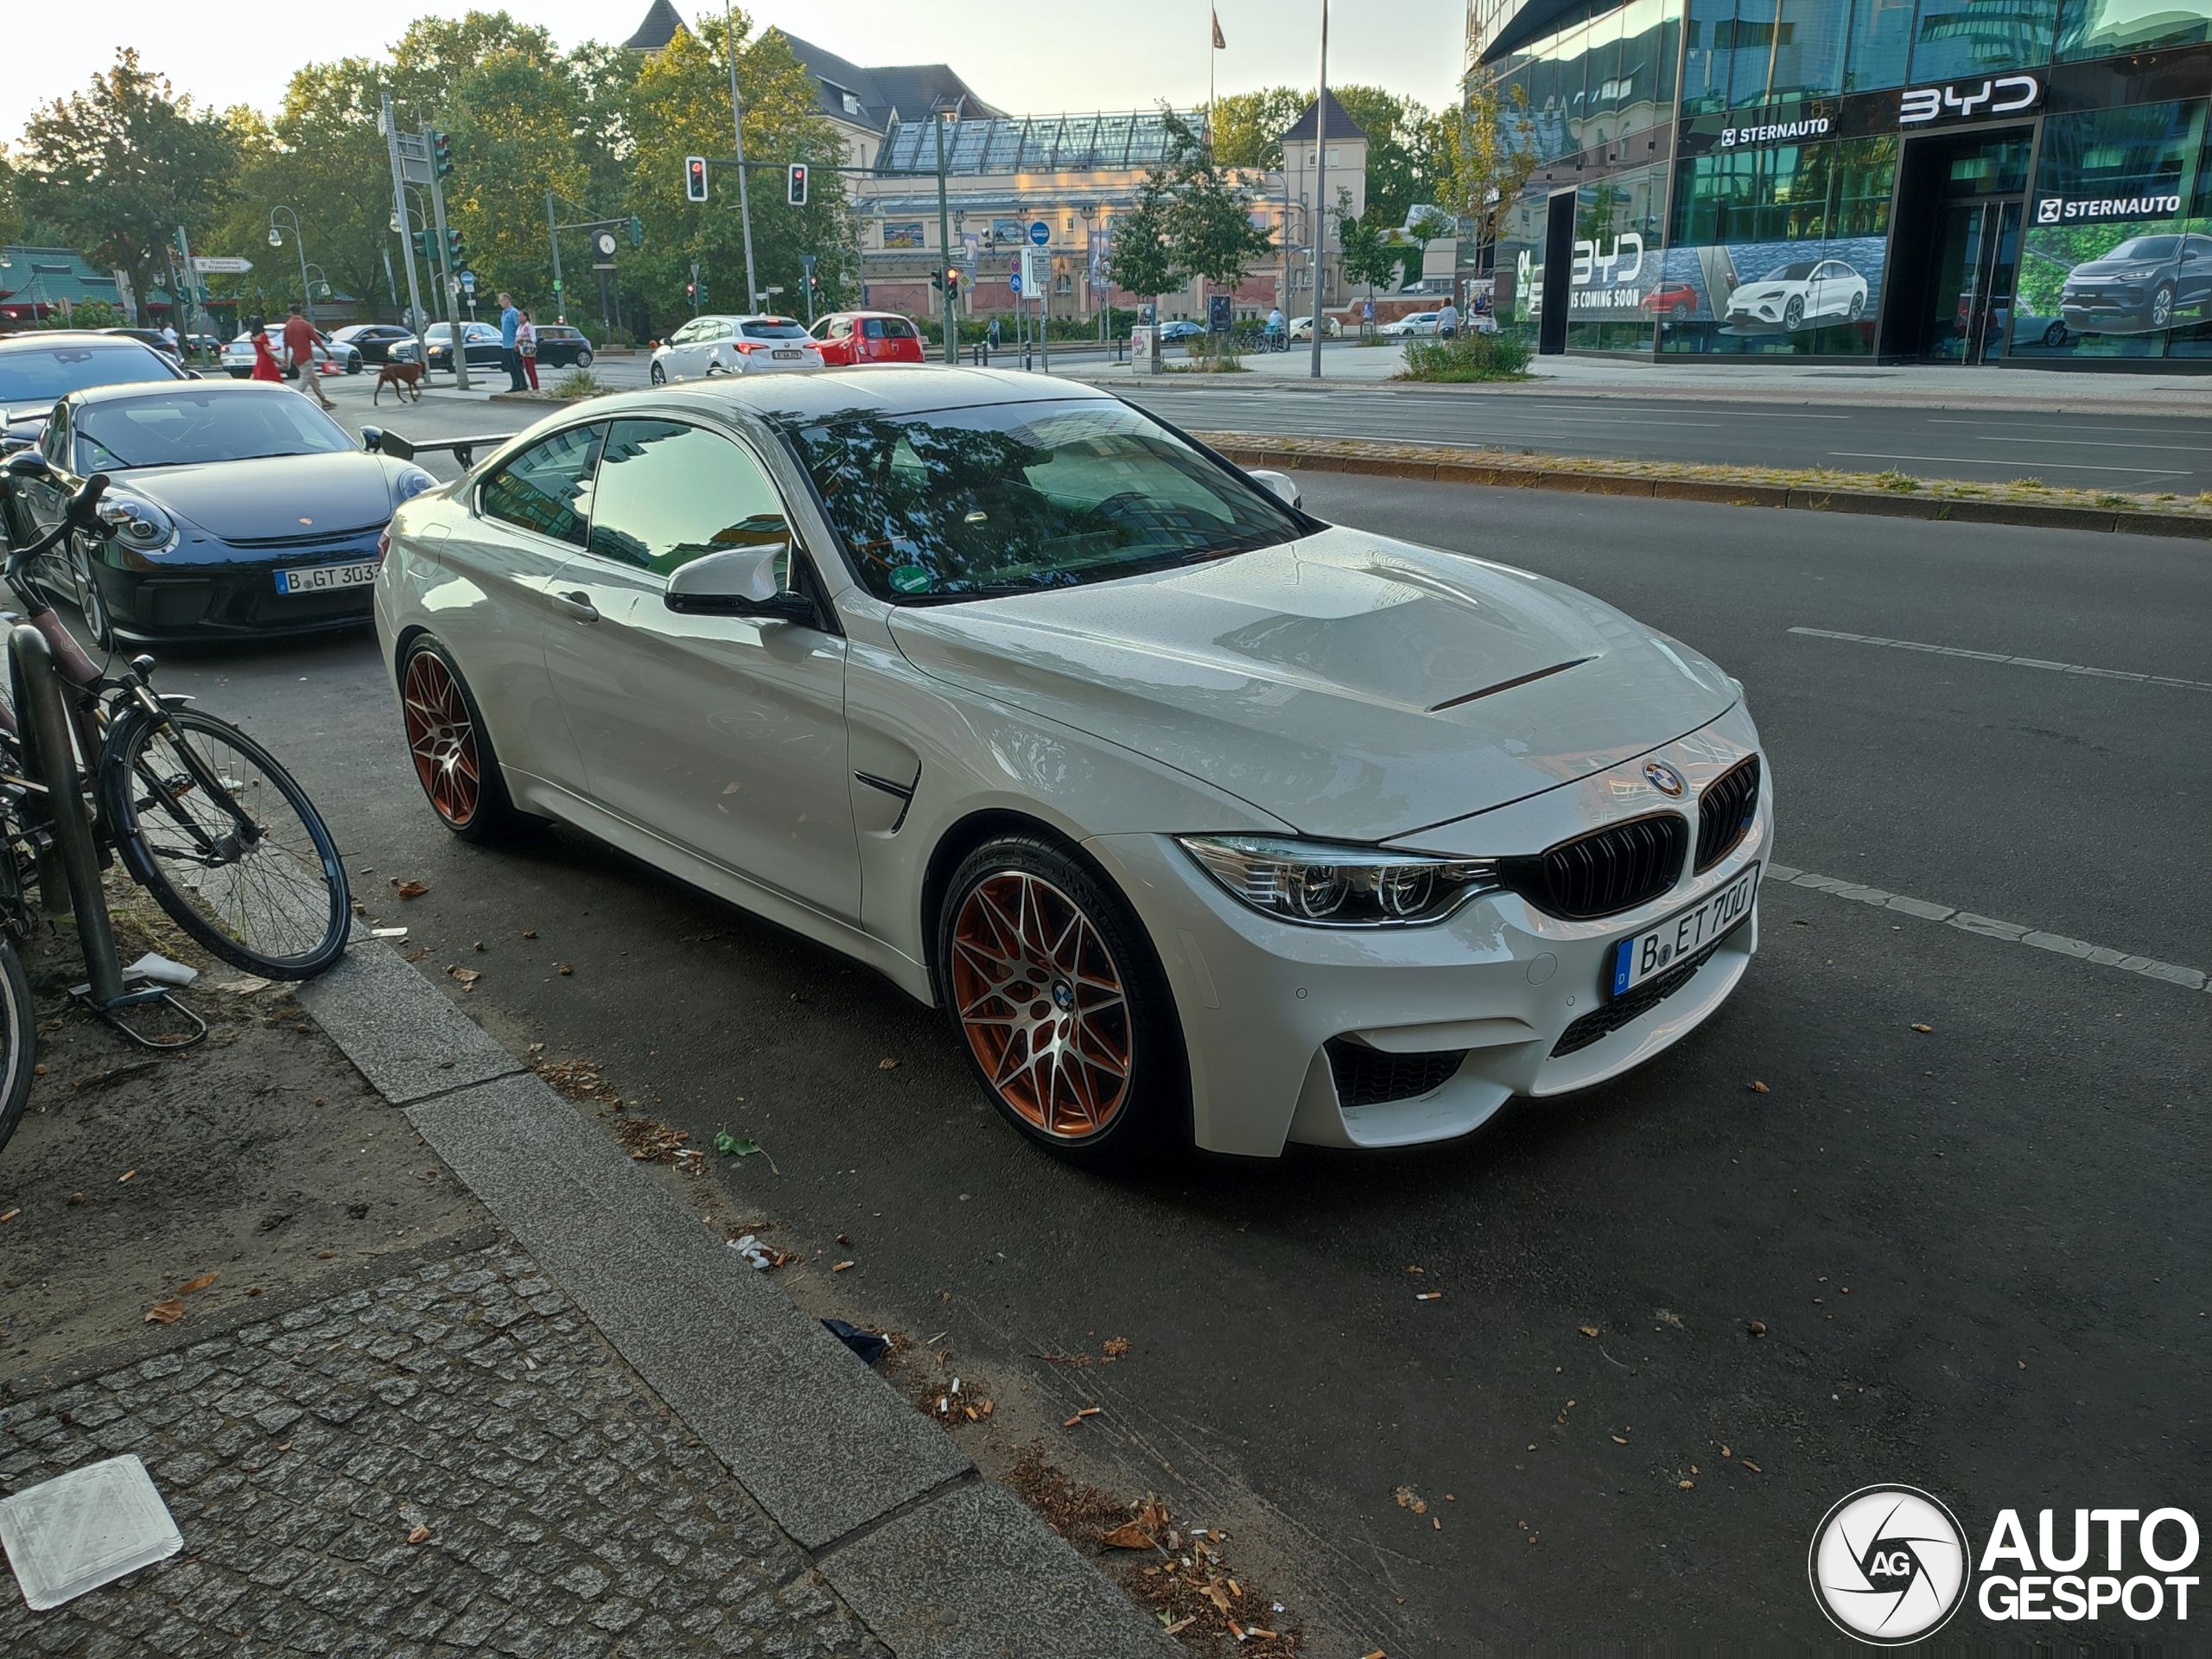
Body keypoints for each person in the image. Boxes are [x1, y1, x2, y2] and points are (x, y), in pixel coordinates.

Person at [282, 303, 334, 407]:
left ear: (291, 312)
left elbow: (286, 344)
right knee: (304, 380)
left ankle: (323, 399)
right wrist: (327, 353)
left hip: (296, 357)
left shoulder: (288, 326)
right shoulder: (305, 325)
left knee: (313, 379)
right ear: (300, 312)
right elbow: (317, 341)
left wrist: (286, 359)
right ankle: (293, 400)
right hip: (306, 357)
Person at [498, 292, 525, 391]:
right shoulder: (504, 313)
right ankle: (515, 384)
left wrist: (517, 342)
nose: (500, 303)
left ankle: (522, 385)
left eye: (501, 300)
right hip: (506, 344)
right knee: (510, 366)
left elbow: (518, 326)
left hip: (513, 344)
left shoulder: (513, 312)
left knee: (517, 365)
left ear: (507, 300)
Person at [517, 309, 539, 391]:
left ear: (525, 317)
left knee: (531, 369)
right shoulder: (519, 327)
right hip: (522, 349)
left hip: (529, 348)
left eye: (520, 316)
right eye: (518, 316)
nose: (519, 318)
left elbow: (534, 339)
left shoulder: (529, 327)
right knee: (527, 369)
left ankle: (535, 387)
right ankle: (533, 386)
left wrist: (524, 339)